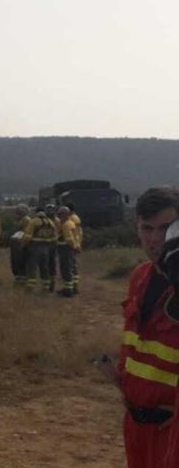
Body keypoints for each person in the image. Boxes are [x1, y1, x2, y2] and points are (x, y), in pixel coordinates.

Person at [113, 187, 179, 467]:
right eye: (146, 228)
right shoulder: (140, 276)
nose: (154, 240)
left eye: (165, 229)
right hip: (137, 425)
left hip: (172, 431)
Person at [22, 209, 57, 291]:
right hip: (46, 249)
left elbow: (28, 236)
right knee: (44, 268)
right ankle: (46, 287)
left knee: (32, 268)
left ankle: (30, 287)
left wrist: (23, 245)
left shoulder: (33, 222)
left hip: (34, 248)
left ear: (36, 213)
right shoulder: (51, 223)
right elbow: (54, 238)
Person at [55, 206, 81, 297]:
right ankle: (74, 287)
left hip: (66, 248)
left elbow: (69, 238)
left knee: (66, 268)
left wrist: (73, 246)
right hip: (72, 248)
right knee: (73, 268)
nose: (59, 217)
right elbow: (77, 236)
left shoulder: (66, 225)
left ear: (63, 215)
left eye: (60, 215)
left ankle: (68, 290)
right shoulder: (71, 223)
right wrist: (77, 246)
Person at [10, 204, 31, 284]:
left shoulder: (25, 220)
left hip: (21, 242)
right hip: (20, 241)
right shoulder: (25, 219)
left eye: (18, 212)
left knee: (20, 259)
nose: (16, 214)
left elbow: (19, 228)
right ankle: (19, 275)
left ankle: (22, 275)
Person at [67, 202, 83, 292]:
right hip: (76, 243)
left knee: (71, 266)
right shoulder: (75, 218)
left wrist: (75, 245)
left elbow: (75, 233)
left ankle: (73, 286)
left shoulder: (72, 219)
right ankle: (74, 285)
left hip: (73, 244)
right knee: (73, 265)